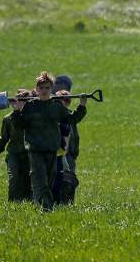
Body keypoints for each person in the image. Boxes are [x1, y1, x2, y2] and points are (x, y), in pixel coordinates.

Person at [11, 71, 88, 211]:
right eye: (41, 88)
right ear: (36, 89)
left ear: (51, 88)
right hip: (36, 151)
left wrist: (82, 105)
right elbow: (19, 125)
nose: (44, 91)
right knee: (40, 181)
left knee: (50, 182)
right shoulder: (30, 106)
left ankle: (43, 206)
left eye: (47, 88)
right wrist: (16, 110)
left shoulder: (56, 106)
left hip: (52, 150)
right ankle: (46, 209)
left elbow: (72, 119)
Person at [0, 88, 33, 202]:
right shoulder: (8, 119)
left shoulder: (33, 118)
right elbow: (3, 138)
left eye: (25, 101)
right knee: (14, 178)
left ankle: (28, 202)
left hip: (29, 154)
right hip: (14, 153)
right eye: (20, 101)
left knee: (28, 180)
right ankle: (12, 203)